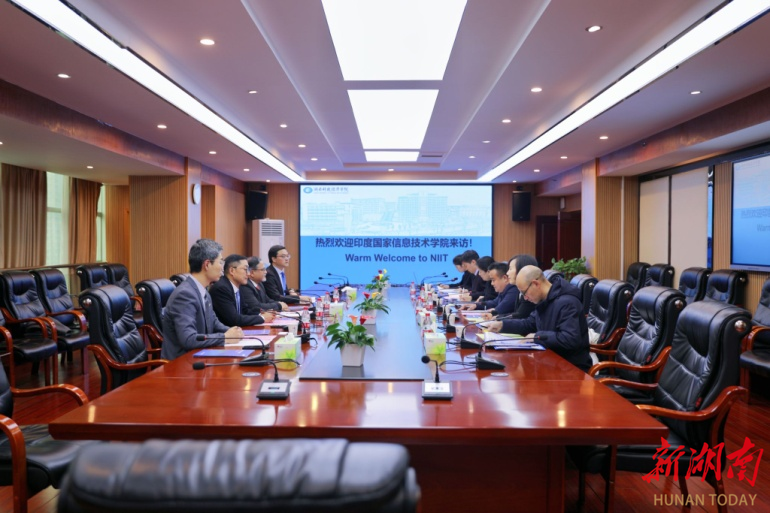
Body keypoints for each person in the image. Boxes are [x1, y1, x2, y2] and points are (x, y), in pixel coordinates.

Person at [486, 265, 592, 372]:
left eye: (524, 293)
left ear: (535, 284)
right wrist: (502, 325)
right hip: (550, 361)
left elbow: (570, 339)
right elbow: (529, 323)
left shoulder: (567, 302)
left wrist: (537, 336)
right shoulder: (545, 299)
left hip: (571, 368)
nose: (525, 298)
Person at [161, 239, 243, 360]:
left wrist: (233, 332)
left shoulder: (203, 290)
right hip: (182, 363)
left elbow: (213, 323)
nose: (223, 267)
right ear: (207, 264)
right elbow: (188, 339)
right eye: (220, 262)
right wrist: (225, 337)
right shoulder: (185, 294)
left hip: (200, 356)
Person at [209, 254, 275, 327]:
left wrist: (261, 314)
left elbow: (245, 311)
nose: (248, 273)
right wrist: (262, 318)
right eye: (245, 269)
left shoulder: (237, 286)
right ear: (232, 271)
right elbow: (234, 319)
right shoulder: (221, 288)